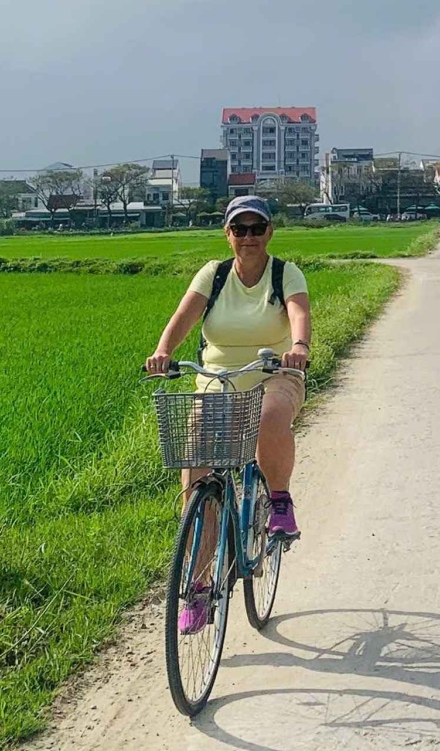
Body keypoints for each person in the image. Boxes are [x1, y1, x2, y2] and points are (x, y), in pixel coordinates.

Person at [145, 195, 312, 631]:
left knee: (270, 416)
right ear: (228, 234)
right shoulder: (213, 274)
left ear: (269, 232)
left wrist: (298, 347)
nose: (248, 237)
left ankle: (279, 501)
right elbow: (184, 315)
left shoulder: (284, 273)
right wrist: (163, 351)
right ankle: (199, 587)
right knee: (196, 477)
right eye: (240, 229)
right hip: (217, 380)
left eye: (257, 228)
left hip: (274, 373)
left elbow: (299, 312)